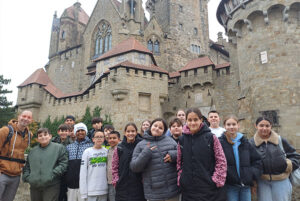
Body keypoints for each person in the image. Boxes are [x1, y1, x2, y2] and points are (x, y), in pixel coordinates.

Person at [177, 108, 227, 201]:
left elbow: (221, 160)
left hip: (208, 188)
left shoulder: (211, 137)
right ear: (186, 121)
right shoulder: (182, 140)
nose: (193, 123)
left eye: (195, 119)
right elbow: (179, 162)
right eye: (190, 120)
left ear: (201, 120)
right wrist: (181, 178)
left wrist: (216, 180)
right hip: (188, 189)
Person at [250, 117, 300, 201]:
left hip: (281, 180)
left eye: (267, 126)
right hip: (262, 182)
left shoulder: (280, 140)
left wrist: (288, 165)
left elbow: (295, 156)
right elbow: (249, 162)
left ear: (271, 126)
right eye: (261, 125)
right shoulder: (251, 143)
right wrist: (253, 181)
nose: (264, 128)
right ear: (256, 126)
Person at [131, 118, 180, 201]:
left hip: (172, 191)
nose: (157, 128)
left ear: (164, 131)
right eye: (155, 125)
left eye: (160, 128)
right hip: (154, 193)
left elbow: (181, 155)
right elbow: (134, 167)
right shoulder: (141, 145)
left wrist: (173, 155)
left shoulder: (171, 141)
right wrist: (146, 153)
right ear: (151, 127)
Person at [219, 115, 262, 201]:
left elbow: (257, 160)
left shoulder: (245, 142)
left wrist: (251, 175)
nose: (231, 127)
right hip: (230, 185)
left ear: (238, 125)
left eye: (234, 124)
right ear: (224, 126)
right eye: (228, 124)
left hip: (245, 186)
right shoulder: (220, 143)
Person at [23, 128, 68, 201]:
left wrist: (52, 175)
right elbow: (27, 167)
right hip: (35, 187)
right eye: (40, 136)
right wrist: (28, 177)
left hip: (51, 185)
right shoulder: (32, 151)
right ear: (37, 139)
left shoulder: (59, 148)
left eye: (45, 134)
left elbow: (63, 164)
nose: (43, 137)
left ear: (50, 136)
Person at [0, 110, 33, 201]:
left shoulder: (29, 135)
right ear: (18, 117)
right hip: (2, 172)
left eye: (29, 117)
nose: (26, 119)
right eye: (24, 116)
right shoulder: (5, 130)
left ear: (31, 120)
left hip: (16, 176)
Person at [112, 123, 146, 201]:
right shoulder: (119, 148)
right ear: (125, 133)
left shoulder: (141, 146)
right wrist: (116, 181)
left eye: (133, 131)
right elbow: (114, 166)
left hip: (138, 185)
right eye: (128, 131)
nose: (130, 133)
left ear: (136, 132)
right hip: (122, 185)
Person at [65, 123, 93, 201]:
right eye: (78, 130)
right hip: (71, 184)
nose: (80, 132)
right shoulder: (69, 147)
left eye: (82, 130)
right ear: (75, 133)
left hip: (86, 185)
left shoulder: (91, 146)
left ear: (86, 132)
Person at [80, 131, 108, 201]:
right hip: (91, 191)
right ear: (93, 139)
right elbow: (83, 173)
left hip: (103, 190)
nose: (99, 139)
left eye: (101, 137)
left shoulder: (106, 151)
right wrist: (83, 192)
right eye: (97, 137)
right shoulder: (87, 152)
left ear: (104, 139)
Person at [52, 124, 74, 201]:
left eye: (65, 131)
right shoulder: (53, 141)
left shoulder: (71, 143)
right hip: (55, 168)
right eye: (62, 131)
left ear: (68, 132)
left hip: (66, 170)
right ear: (58, 132)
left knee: (64, 191)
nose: (63, 133)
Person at [107, 131, 121, 201]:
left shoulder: (121, 149)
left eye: (114, 138)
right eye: (110, 138)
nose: (112, 140)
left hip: (119, 182)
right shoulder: (108, 150)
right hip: (110, 181)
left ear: (119, 139)